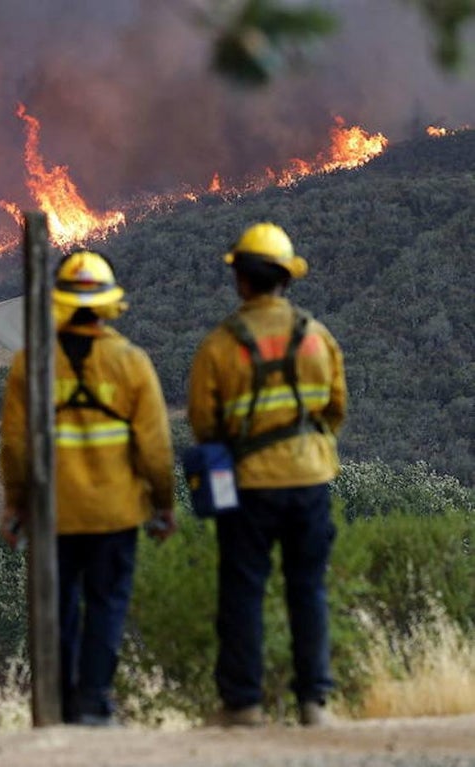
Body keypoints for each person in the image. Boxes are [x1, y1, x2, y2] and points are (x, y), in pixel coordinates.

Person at [0, 249, 176, 726]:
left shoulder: (30, 365)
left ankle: (59, 702)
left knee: (57, 606)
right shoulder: (131, 363)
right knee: (106, 605)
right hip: (115, 513)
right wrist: (164, 504)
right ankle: (93, 703)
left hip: (53, 512)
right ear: (108, 304)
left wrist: (15, 506)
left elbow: (15, 446)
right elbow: (156, 448)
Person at [186, 222, 347, 727]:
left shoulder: (220, 345)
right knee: (308, 588)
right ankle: (314, 703)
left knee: (243, 590)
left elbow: (203, 423)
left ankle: (244, 704)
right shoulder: (317, 338)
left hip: (250, 485)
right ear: (286, 279)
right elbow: (335, 408)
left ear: (242, 281)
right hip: (310, 480)